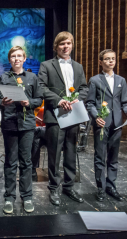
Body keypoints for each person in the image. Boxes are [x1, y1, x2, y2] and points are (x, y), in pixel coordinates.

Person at [38, 31, 88, 206]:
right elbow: (41, 88)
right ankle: (53, 188)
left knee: (71, 152)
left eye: (68, 43)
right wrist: (58, 100)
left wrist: (78, 99)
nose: (65, 46)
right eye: (62, 44)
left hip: (73, 114)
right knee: (54, 153)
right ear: (55, 47)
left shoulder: (79, 67)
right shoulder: (46, 65)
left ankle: (68, 186)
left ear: (72, 45)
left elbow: (84, 88)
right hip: (55, 115)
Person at [0, 46, 43, 214]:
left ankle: (27, 196)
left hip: (27, 124)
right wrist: (3, 102)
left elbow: (39, 99)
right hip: (9, 123)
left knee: (26, 162)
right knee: (10, 162)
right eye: (13, 56)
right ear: (10, 60)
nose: (16, 59)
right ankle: (9, 197)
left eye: (19, 56)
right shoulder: (3, 77)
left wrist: (29, 102)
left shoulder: (32, 77)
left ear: (24, 59)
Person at [86, 49, 127, 202]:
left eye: (113, 59)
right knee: (100, 157)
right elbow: (90, 103)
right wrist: (96, 117)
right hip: (102, 123)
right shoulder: (95, 80)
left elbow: (124, 103)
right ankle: (101, 188)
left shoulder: (121, 81)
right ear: (100, 62)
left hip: (117, 124)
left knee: (113, 158)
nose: (111, 61)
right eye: (107, 59)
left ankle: (111, 186)